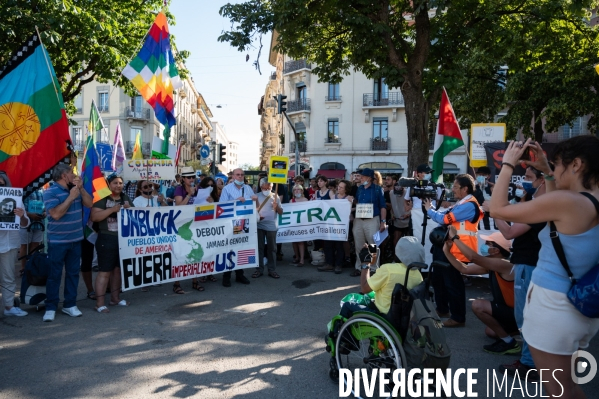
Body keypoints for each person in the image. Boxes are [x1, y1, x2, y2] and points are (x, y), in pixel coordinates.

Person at [489, 136, 599, 398]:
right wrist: (549, 173)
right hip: (578, 306)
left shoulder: (571, 202)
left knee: (559, 392)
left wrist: (507, 165)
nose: (555, 168)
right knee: (568, 387)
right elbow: (558, 217)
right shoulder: (585, 202)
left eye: (558, 163)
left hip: (554, 307)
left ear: (577, 165)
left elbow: (497, 208)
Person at [489, 166, 546, 379]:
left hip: (529, 264)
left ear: (543, 180)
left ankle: (529, 364)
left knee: (525, 317)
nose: (526, 183)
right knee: (529, 316)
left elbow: (510, 231)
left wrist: (494, 213)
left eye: (530, 178)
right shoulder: (537, 205)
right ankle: (532, 361)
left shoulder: (538, 208)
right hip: (530, 263)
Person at [444, 227, 520, 355]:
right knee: (490, 332)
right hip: (509, 311)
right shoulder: (492, 265)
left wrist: (455, 237)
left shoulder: (504, 264)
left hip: (516, 313)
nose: (484, 246)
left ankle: (509, 343)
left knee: (478, 305)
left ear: (496, 250)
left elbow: (473, 257)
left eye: (488, 244)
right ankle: (518, 331)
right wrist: (447, 251)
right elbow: (465, 269)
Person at [423, 174, 483, 327]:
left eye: (455, 187)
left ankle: (458, 317)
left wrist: (429, 210)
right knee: (439, 280)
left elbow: (444, 219)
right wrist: (433, 211)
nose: (453, 190)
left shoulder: (469, 205)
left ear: (465, 189)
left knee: (453, 284)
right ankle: (442, 309)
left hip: (456, 250)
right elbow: (445, 215)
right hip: (447, 247)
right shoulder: (461, 203)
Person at [42, 164, 93, 322]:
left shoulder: (76, 189)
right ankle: (51, 306)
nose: (74, 175)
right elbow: (56, 214)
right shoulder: (50, 192)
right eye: (72, 173)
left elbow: (89, 204)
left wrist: (81, 189)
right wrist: (71, 197)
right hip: (58, 241)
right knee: (54, 275)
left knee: (72, 274)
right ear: (64, 176)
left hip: (76, 240)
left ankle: (70, 304)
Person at [339, 237, 424, 319]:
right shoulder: (419, 276)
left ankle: (336, 332)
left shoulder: (388, 270)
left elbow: (364, 289)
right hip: (403, 318)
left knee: (347, 306)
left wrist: (365, 264)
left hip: (383, 315)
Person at [90, 175, 132, 313]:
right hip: (106, 238)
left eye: (120, 183)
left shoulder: (125, 197)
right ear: (108, 184)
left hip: (123, 239)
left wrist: (130, 209)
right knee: (105, 271)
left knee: (118, 270)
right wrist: (112, 210)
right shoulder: (103, 198)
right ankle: (99, 303)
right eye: (115, 183)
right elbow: (95, 217)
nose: (118, 185)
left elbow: (137, 216)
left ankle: (115, 299)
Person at [219, 168, 256, 287]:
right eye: (238, 175)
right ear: (233, 176)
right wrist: (235, 201)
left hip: (244, 222)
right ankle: (227, 276)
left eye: (242, 175)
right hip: (231, 223)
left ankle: (240, 274)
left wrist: (255, 199)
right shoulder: (227, 189)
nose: (240, 177)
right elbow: (222, 206)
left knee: (241, 248)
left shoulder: (248, 188)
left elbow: (253, 204)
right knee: (229, 249)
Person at [0, 173, 30, 317]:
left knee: (8, 277)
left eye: (2, 184)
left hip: (10, 244)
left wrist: (22, 216)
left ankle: (9, 306)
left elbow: (25, 224)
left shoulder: (16, 200)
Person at [350, 168, 387, 276]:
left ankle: (373, 268)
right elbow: (357, 202)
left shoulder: (377, 189)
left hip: (372, 219)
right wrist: (352, 200)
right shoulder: (360, 189)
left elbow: (383, 206)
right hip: (359, 219)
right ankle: (359, 267)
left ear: (369, 178)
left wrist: (383, 221)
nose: (360, 178)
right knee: (358, 244)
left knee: (373, 244)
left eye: (362, 176)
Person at [173, 166, 202, 293]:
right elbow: (179, 207)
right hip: (181, 226)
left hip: (195, 225)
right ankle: (177, 283)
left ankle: (195, 281)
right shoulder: (178, 190)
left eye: (193, 177)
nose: (191, 179)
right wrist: (189, 195)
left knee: (194, 252)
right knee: (180, 253)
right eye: (189, 177)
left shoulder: (198, 189)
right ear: (183, 179)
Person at [252, 178, 283, 279]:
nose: (267, 189)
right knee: (259, 248)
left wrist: (276, 207)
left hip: (271, 226)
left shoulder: (275, 196)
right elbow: (253, 210)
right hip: (259, 226)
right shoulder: (256, 196)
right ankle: (259, 270)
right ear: (261, 187)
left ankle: (272, 270)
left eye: (269, 187)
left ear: (272, 187)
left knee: (272, 249)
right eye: (265, 188)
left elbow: (281, 212)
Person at [19, 188, 45, 276]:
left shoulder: (42, 191)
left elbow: (44, 207)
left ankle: (32, 266)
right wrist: (30, 215)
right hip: (25, 222)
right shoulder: (24, 190)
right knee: (24, 245)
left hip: (39, 223)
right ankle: (23, 268)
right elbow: (19, 209)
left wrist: (44, 213)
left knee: (35, 245)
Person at [335, 180, 354, 268]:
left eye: (341, 187)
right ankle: (339, 259)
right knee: (337, 242)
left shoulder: (348, 198)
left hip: (345, 223)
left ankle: (347, 257)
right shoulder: (333, 197)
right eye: (338, 186)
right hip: (335, 223)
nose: (339, 188)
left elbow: (352, 206)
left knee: (345, 241)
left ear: (346, 189)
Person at [290, 184, 308, 266]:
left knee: (301, 242)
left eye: (298, 189)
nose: (297, 191)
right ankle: (297, 257)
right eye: (295, 190)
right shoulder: (291, 201)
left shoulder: (305, 200)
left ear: (302, 191)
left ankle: (302, 259)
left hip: (302, 223)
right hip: (294, 223)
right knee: (294, 241)